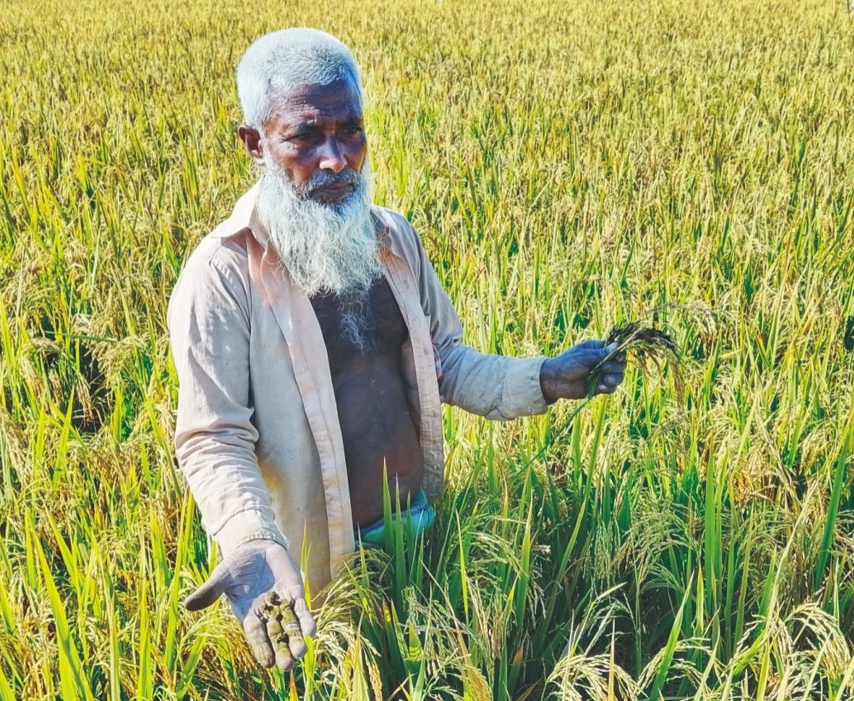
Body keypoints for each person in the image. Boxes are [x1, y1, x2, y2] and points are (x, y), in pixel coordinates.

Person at [166, 27, 627, 672]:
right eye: (305, 137)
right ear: (255, 143)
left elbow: (446, 363)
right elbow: (213, 437)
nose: (335, 159)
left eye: (349, 131)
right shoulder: (223, 276)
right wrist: (248, 538)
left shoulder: (392, 240)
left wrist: (546, 378)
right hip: (318, 568)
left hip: (422, 530)